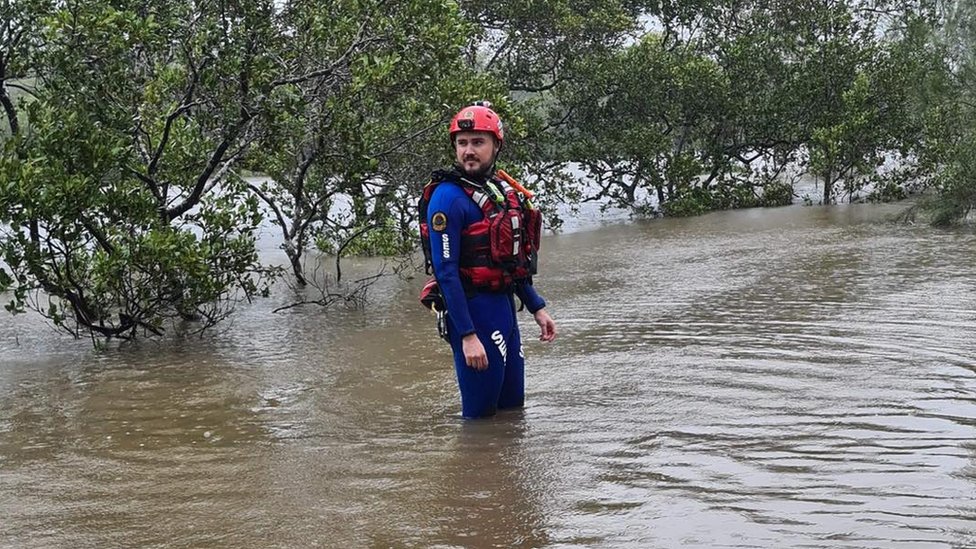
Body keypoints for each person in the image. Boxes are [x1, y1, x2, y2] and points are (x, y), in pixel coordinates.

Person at [419, 102, 556, 419]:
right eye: (462, 143)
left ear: (496, 145)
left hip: (504, 310)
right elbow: (446, 272)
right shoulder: (447, 198)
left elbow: (512, 261)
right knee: (478, 421)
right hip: (472, 314)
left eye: (478, 142)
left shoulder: (500, 191)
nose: (468, 150)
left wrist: (536, 307)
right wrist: (467, 336)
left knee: (512, 413)